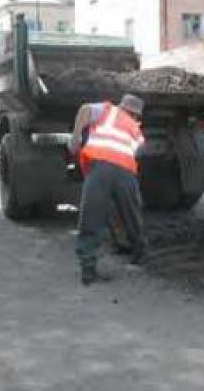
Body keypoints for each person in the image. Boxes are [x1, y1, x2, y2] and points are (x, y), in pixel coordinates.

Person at [69, 94, 147, 286]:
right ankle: (139, 252)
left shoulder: (107, 110)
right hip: (125, 172)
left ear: (121, 106)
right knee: (131, 213)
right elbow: (138, 151)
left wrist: (76, 138)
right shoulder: (137, 130)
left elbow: (85, 109)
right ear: (137, 116)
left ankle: (88, 271)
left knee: (91, 215)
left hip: (99, 167)